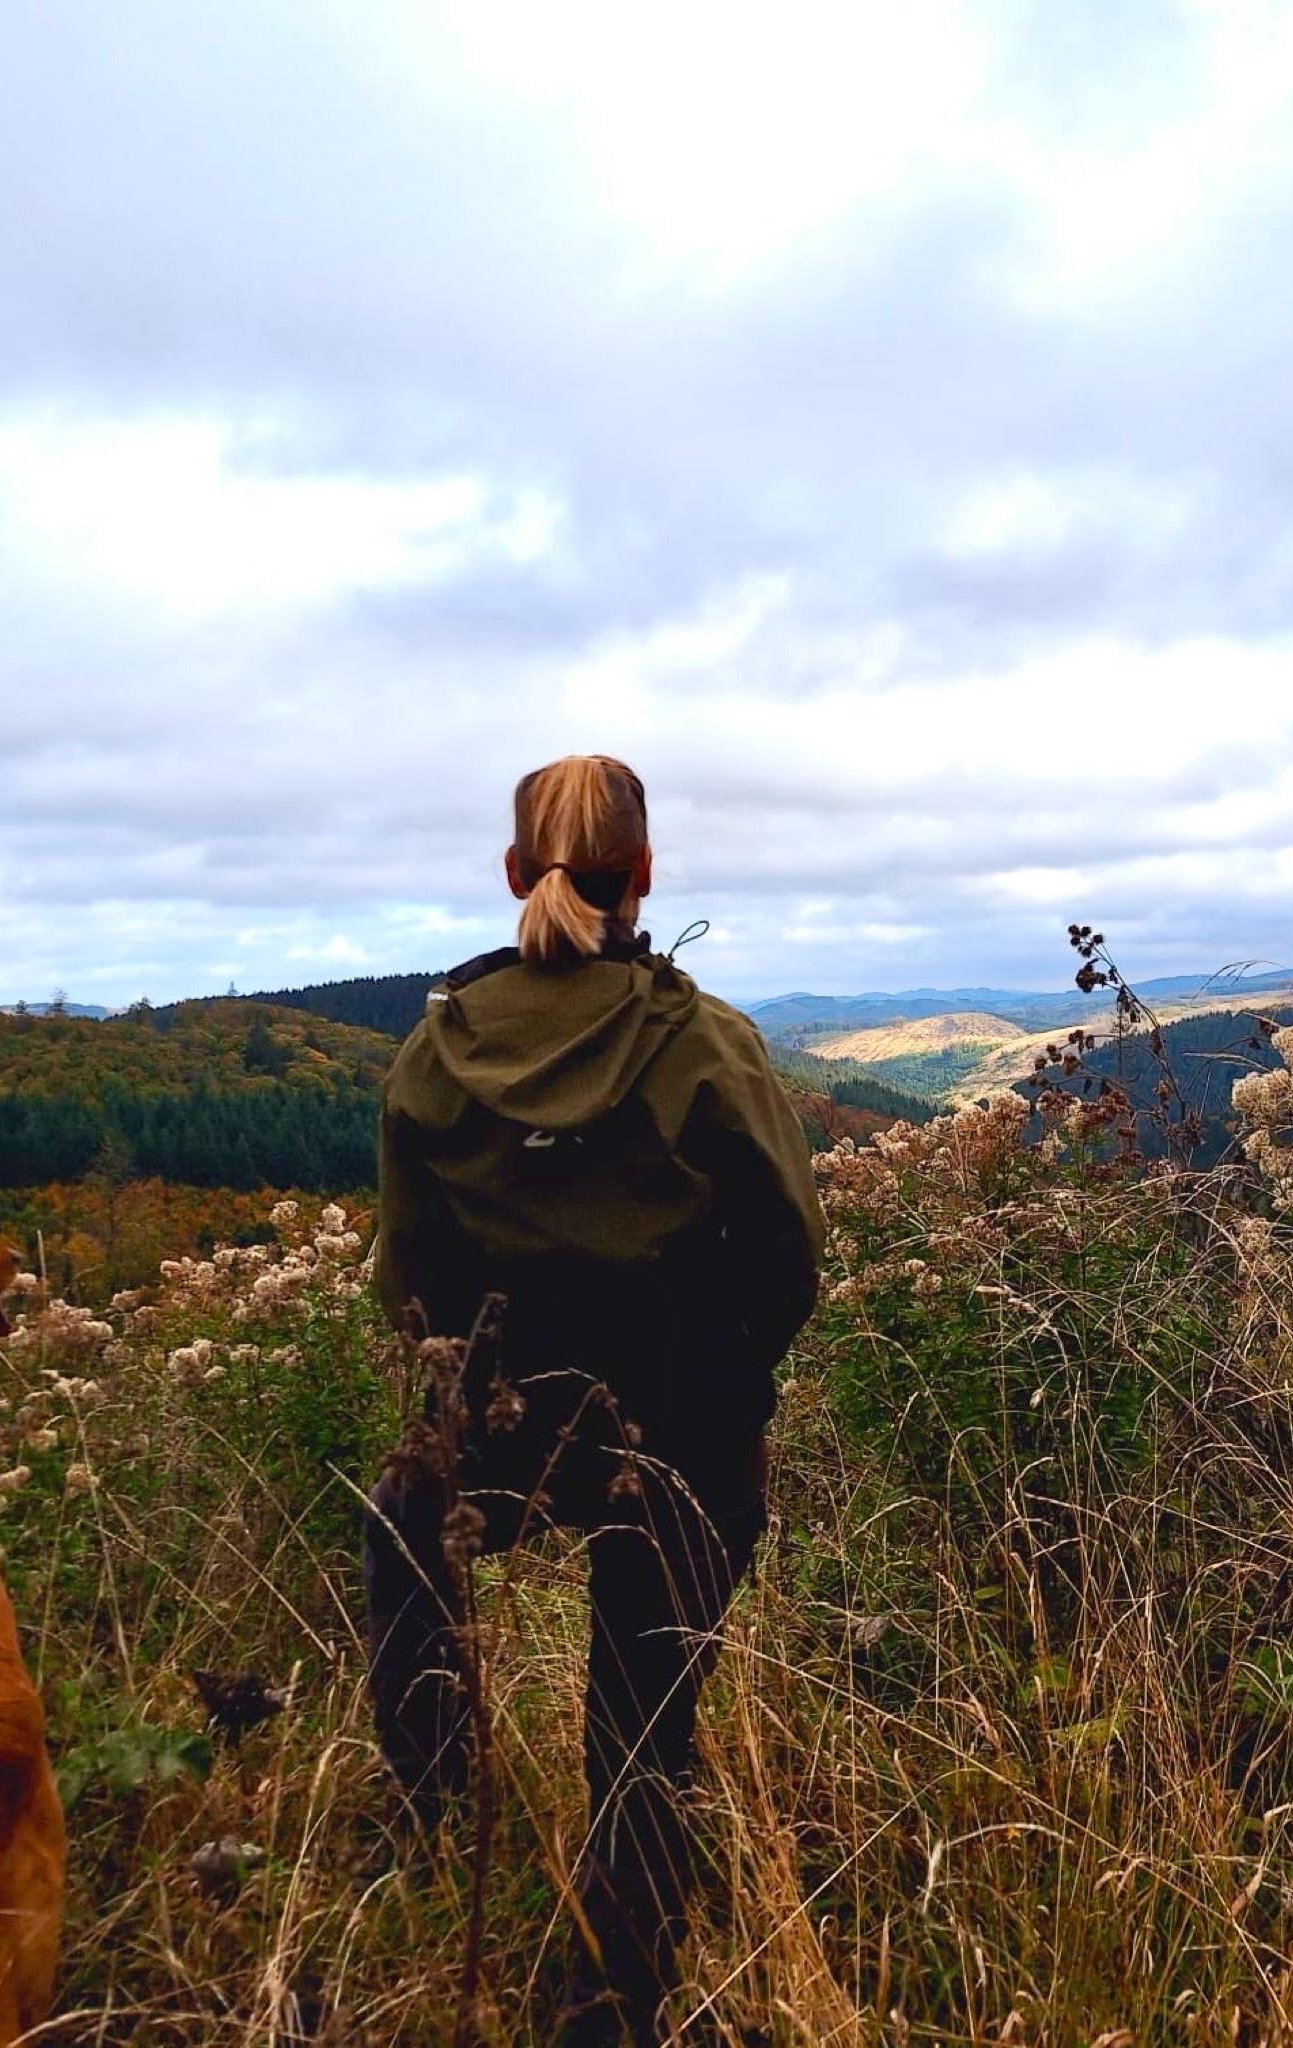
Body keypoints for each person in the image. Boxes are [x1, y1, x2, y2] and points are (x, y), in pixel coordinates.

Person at [365, 754, 824, 2045]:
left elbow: (407, 1288)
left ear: (517, 874)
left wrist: (485, 1397)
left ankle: (430, 1802)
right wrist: (722, 1380)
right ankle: (610, 2004)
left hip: (505, 1426)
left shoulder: (436, 1052)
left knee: (400, 1513)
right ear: (646, 876)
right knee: (640, 1728)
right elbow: (788, 1260)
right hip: (678, 1436)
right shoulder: (705, 1045)